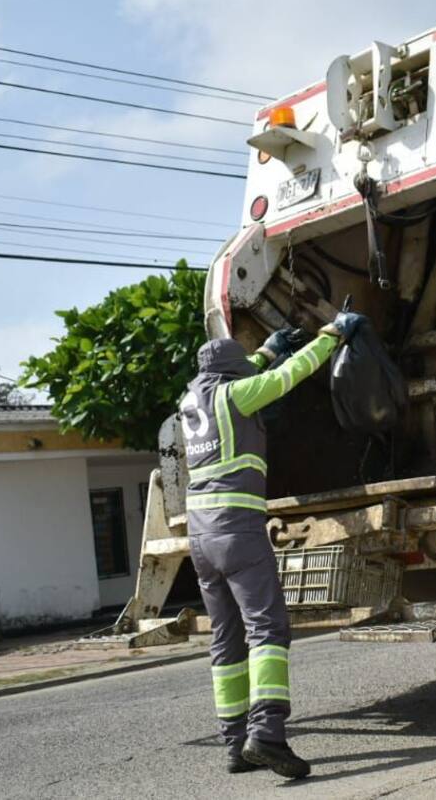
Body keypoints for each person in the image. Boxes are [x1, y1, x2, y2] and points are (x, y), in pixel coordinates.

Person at [179, 311, 365, 779]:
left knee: (226, 639)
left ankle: (235, 743)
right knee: (267, 630)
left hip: (200, 537)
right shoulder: (237, 395)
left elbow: (249, 373)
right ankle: (268, 734)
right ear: (231, 372)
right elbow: (287, 377)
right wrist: (331, 334)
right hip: (237, 529)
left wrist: (266, 348)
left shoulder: (189, 404)